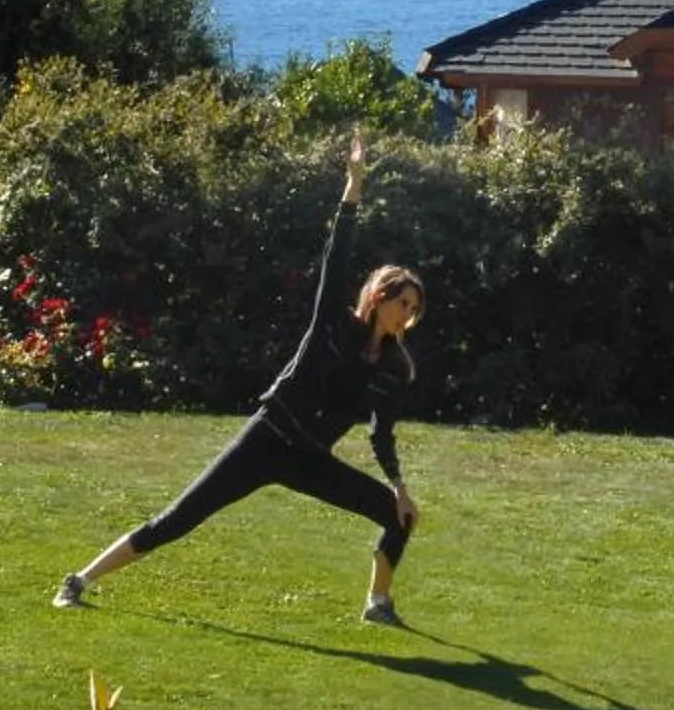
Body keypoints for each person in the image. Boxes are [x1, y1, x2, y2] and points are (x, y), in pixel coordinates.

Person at [53, 131, 425, 624]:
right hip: (265, 439)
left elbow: (381, 432)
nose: (409, 315)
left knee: (399, 515)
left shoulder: (394, 367)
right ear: (379, 297)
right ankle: (79, 581)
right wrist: (352, 188)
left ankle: (377, 605)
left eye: (415, 310)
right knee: (179, 519)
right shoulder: (333, 324)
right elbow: (337, 256)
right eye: (404, 303)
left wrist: (398, 485)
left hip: (309, 459)